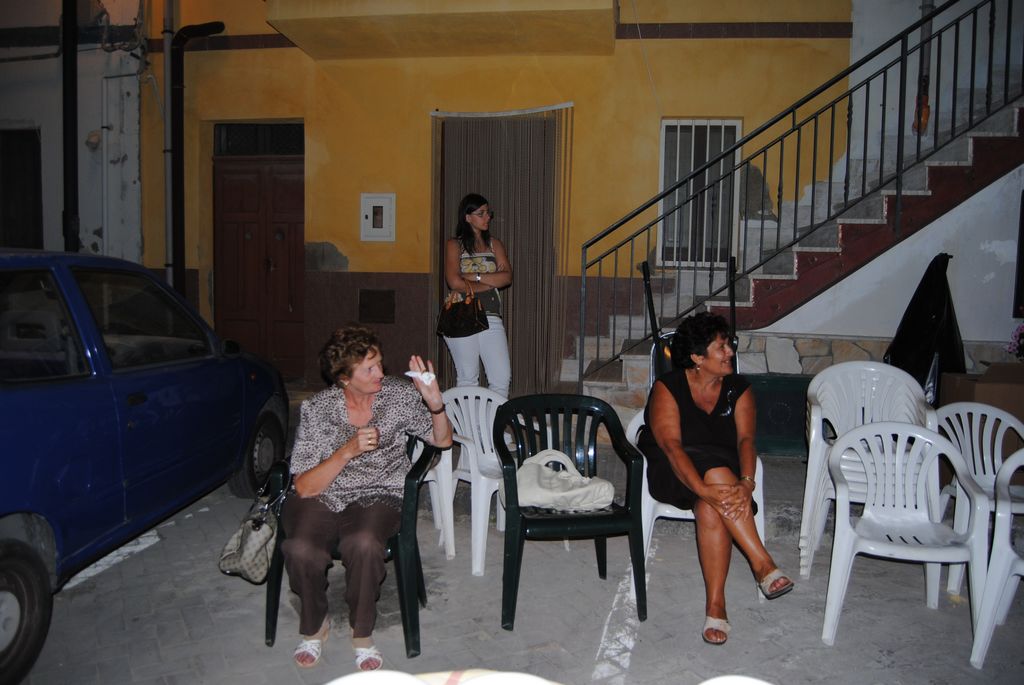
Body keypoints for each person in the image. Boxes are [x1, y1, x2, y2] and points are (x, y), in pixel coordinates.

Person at [282, 325, 452, 671]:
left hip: (380, 490)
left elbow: (443, 441)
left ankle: (362, 633)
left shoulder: (398, 395)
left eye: (379, 363)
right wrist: (346, 451)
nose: (380, 373)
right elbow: (304, 486)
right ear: (344, 378)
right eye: (369, 369)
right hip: (326, 492)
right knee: (300, 549)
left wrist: (435, 404)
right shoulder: (317, 409)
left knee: (362, 543)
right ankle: (314, 625)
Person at [637, 312, 793, 645]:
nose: (730, 353)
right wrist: (701, 489)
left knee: (711, 506)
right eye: (721, 347)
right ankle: (762, 563)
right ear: (697, 357)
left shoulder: (739, 389)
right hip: (674, 469)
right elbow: (671, 446)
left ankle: (716, 605)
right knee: (715, 479)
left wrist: (747, 482)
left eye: (728, 345)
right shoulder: (668, 387)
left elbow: (746, 440)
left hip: (722, 471)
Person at [442, 192, 513, 397]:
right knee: (468, 378)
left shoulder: (495, 244)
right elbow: (454, 282)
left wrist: (474, 277)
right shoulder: (454, 245)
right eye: (481, 213)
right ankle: (468, 419)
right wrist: (490, 282)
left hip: (491, 314)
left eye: (488, 212)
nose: (487, 217)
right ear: (467, 217)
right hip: (462, 313)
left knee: (501, 378)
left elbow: (507, 277)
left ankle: (493, 419)